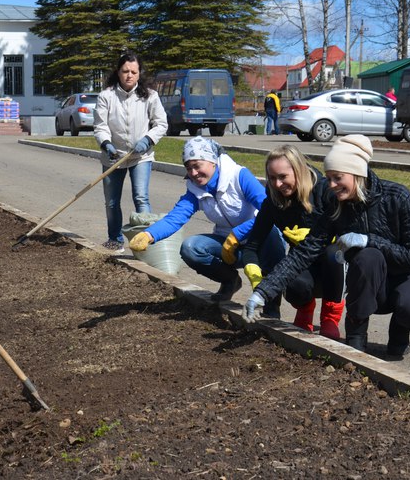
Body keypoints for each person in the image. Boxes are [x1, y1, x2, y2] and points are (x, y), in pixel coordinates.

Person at [236, 135, 410, 359]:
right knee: (367, 258)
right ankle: (356, 336)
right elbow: (304, 253)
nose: (330, 185)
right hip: (370, 281)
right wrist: (262, 292)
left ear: (357, 173)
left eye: (337, 178)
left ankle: (399, 332)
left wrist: (370, 240)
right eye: (329, 177)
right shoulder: (336, 205)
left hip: (408, 275)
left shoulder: (398, 197)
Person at [129, 137, 286, 308]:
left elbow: (270, 211)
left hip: (259, 242)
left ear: (212, 162)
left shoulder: (238, 176)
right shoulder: (195, 190)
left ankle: (271, 310)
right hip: (229, 248)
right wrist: (149, 234)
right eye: (189, 168)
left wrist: (238, 233)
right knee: (191, 247)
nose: (194, 173)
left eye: (197, 166)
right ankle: (230, 281)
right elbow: (175, 218)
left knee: (271, 233)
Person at [240, 145, 345, 338]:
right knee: (295, 285)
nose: (277, 184)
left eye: (283, 177)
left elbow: (347, 232)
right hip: (302, 264)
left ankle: (330, 318)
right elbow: (252, 246)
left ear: (298, 171)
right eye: (272, 178)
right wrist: (256, 278)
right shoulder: (273, 202)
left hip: (334, 267)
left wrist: (323, 237)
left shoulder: (324, 191)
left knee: (334, 254)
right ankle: (305, 310)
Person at [94, 52, 168, 253]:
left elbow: (161, 124)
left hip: (141, 156)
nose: (129, 75)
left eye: (133, 72)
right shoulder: (106, 96)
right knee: (111, 201)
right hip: (114, 157)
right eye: (125, 71)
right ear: (118, 72)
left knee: (141, 197)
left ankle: (146, 243)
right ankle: (115, 240)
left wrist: (148, 139)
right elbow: (100, 126)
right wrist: (106, 144)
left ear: (139, 73)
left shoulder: (150, 96)